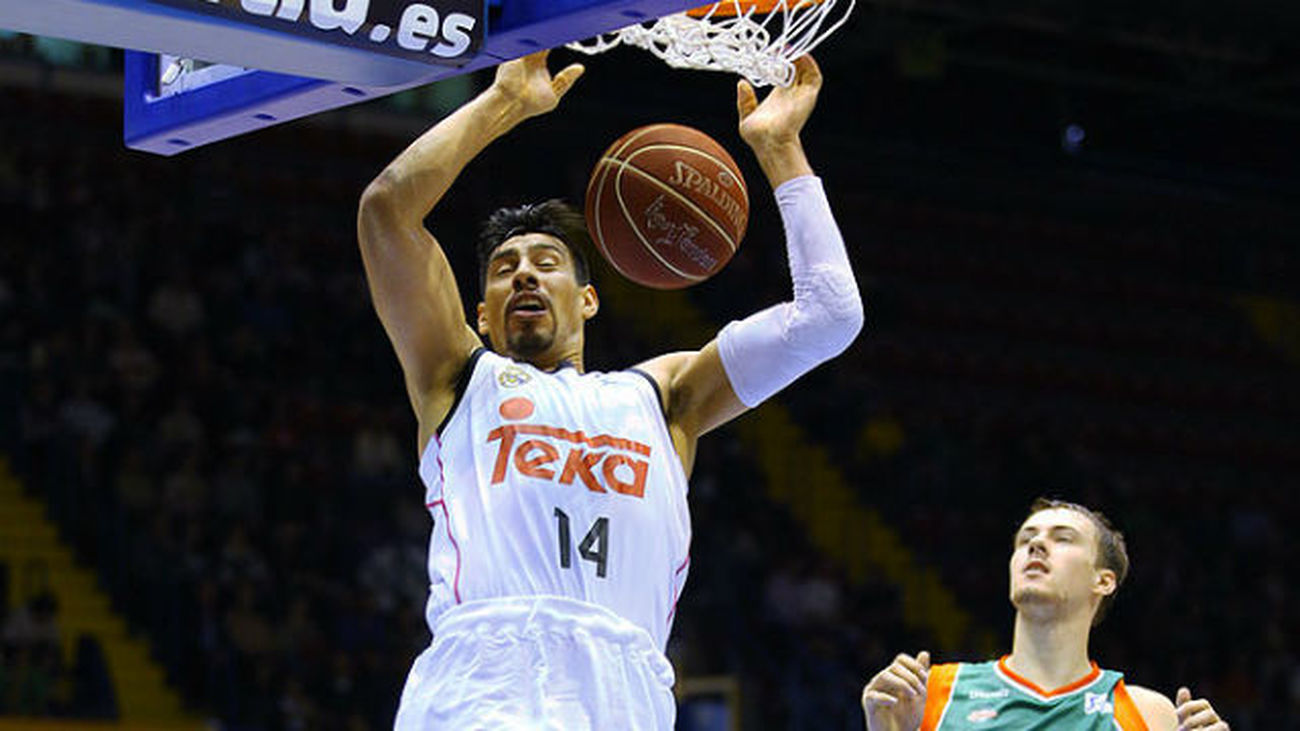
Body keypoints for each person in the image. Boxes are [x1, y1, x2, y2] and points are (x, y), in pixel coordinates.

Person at [356, 48, 863, 729]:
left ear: (588, 299)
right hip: (482, 686)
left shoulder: (663, 396)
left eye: (546, 262)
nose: (524, 274)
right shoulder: (459, 378)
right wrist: (503, 104)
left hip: (621, 696)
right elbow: (386, 210)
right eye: (504, 269)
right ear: (481, 315)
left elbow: (830, 316)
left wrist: (780, 150)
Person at [860, 498, 1230, 730]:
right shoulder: (931, 694)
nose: (1036, 544)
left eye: (1063, 538)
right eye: (1026, 539)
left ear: (1103, 581)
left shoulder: (1148, 715)